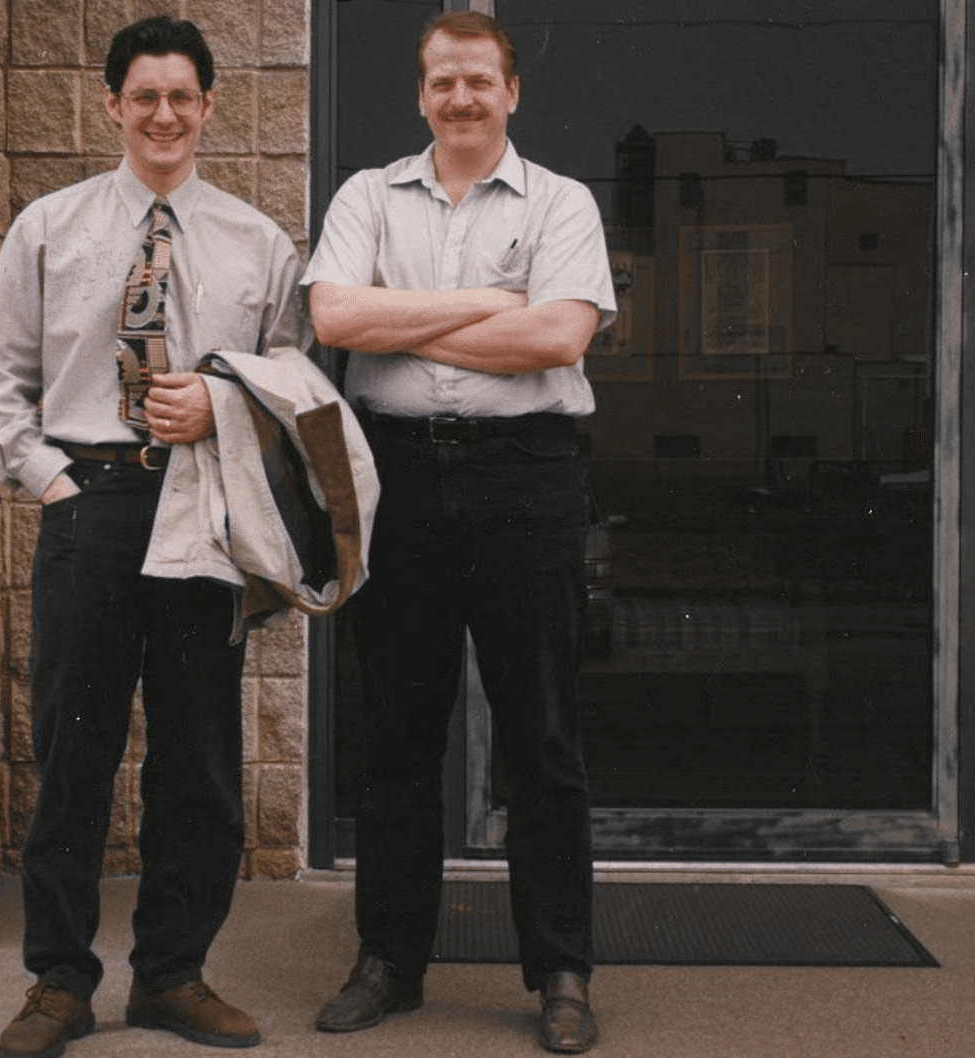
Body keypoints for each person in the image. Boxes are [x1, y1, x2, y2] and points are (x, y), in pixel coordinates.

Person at [0, 16, 311, 1058]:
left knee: (199, 757)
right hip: (92, 503)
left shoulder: (259, 245)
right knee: (74, 751)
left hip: (202, 507)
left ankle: (171, 973)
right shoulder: (47, 227)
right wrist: (54, 481)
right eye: (144, 96)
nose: (164, 113)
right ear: (113, 105)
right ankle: (58, 980)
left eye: (182, 96)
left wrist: (223, 410)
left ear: (209, 108)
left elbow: (296, 389)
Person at [301, 11, 616, 1055]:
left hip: (527, 477)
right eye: (443, 82)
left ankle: (561, 969)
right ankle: (388, 960)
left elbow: (557, 334)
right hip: (394, 471)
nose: (461, 98)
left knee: (543, 741)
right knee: (395, 739)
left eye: (479, 81)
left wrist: (412, 309)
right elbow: (339, 322)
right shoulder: (364, 197)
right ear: (421, 92)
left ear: (510, 92)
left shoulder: (562, 201)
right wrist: (487, 303)